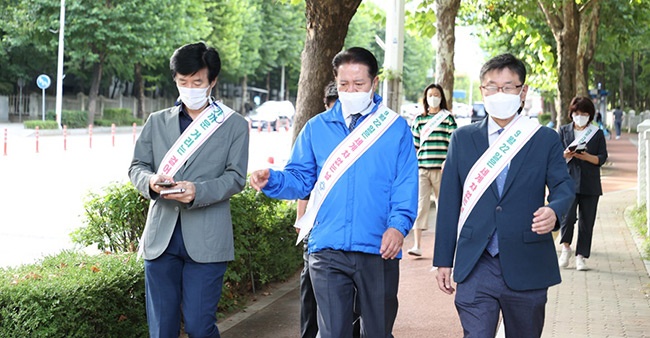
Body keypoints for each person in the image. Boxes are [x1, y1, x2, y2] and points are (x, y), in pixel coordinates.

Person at [250, 47, 418, 338]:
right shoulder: (317, 128)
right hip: (327, 248)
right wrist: (272, 181)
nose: (350, 91)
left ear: (374, 83)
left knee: (377, 331)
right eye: (343, 85)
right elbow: (301, 179)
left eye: (358, 84)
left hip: (378, 247)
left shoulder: (395, 129)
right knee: (332, 333)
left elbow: (405, 184)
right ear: (336, 82)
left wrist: (398, 227)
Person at [433, 53, 575, 338]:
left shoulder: (543, 138)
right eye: (492, 86)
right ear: (482, 90)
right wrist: (443, 260)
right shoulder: (463, 138)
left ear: (523, 91)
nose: (500, 93)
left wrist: (554, 211)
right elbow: (449, 203)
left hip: (527, 260)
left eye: (508, 86)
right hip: (476, 261)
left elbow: (564, 187)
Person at [129, 42, 249, 338]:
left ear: (213, 82)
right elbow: (137, 167)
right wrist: (151, 183)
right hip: (161, 240)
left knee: (199, 325)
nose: (189, 88)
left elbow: (236, 178)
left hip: (207, 240)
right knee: (162, 328)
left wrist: (198, 191)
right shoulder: (157, 122)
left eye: (197, 82)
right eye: (183, 82)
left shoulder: (234, 125)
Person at [558, 97, 608, 271]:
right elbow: (555, 156)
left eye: (584, 114)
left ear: (590, 115)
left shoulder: (597, 133)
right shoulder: (564, 131)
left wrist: (586, 157)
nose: (580, 117)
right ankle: (565, 248)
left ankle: (581, 256)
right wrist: (565, 155)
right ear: (571, 114)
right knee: (567, 217)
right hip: (568, 181)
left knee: (587, 221)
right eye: (577, 113)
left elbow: (602, 158)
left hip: (590, 183)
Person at [408, 83, 457, 257]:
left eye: (436, 94)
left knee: (443, 206)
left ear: (441, 97)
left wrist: (449, 162)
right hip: (422, 169)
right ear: (425, 98)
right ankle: (417, 244)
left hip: (442, 170)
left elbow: (454, 144)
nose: (433, 97)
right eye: (430, 95)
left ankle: (444, 246)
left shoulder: (448, 119)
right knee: (421, 206)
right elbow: (413, 146)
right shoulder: (419, 120)